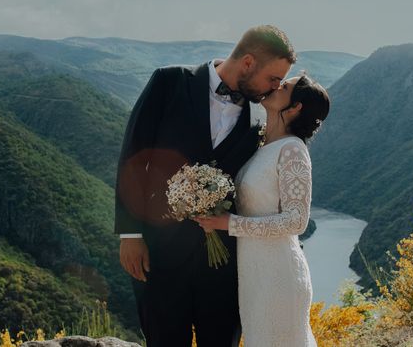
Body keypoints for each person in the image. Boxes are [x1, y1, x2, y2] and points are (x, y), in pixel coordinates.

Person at [114, 25, 296, 347]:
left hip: (224, 264)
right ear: (248, 62)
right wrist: (130, 234)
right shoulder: (168, 81)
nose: (275, 88)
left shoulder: (259, 117)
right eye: (273, 79)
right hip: (159, 253)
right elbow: (133, 155)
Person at [194, 73, 330, 347]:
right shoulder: (262, 145)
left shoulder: (292, 151)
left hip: (279, 272)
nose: (276, 86)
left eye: (285, 87)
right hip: (252, 270)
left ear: (295, 108)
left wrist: (229, 223)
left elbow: (297, 221)